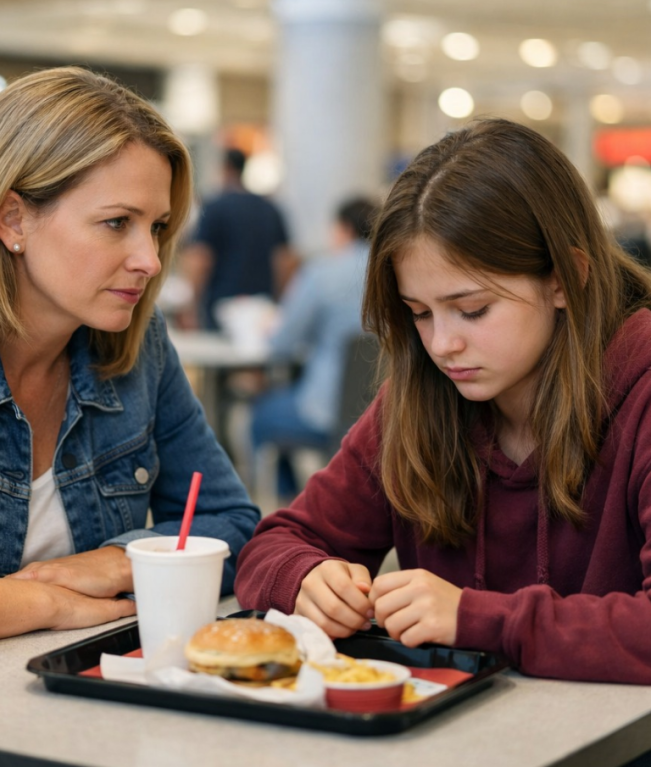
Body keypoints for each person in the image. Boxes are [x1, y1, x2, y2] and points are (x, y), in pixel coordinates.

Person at [235, 118, 651, 684]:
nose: (442, 344)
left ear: (565, 279)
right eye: (420, 313)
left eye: (473, 309)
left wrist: (477, 618)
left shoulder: (641, 392)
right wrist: (306, 578)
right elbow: (274, 545)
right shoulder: (418, 399)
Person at [0, 67, 260, 657]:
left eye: (157, 228)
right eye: (117, 223)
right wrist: (44, 602)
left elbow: (233, 523)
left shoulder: (137, 343)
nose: (151, 260)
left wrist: (115, 563)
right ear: (13, 220)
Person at [250, 196, 378, 498]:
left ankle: (286, 502)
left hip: (326, 411)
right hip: (386, 410)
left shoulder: (322, 273)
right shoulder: (396, 270)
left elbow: (282, 343)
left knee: (261, 413)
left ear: (344, 229)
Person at [181, 148, 293, 330]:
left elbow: (200, 259)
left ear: (225, 168)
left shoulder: (215, 207)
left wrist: (190, 307)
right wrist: (280, 301)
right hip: (262, 307)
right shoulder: (270, 209)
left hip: (221, 307)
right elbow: (285, 261)